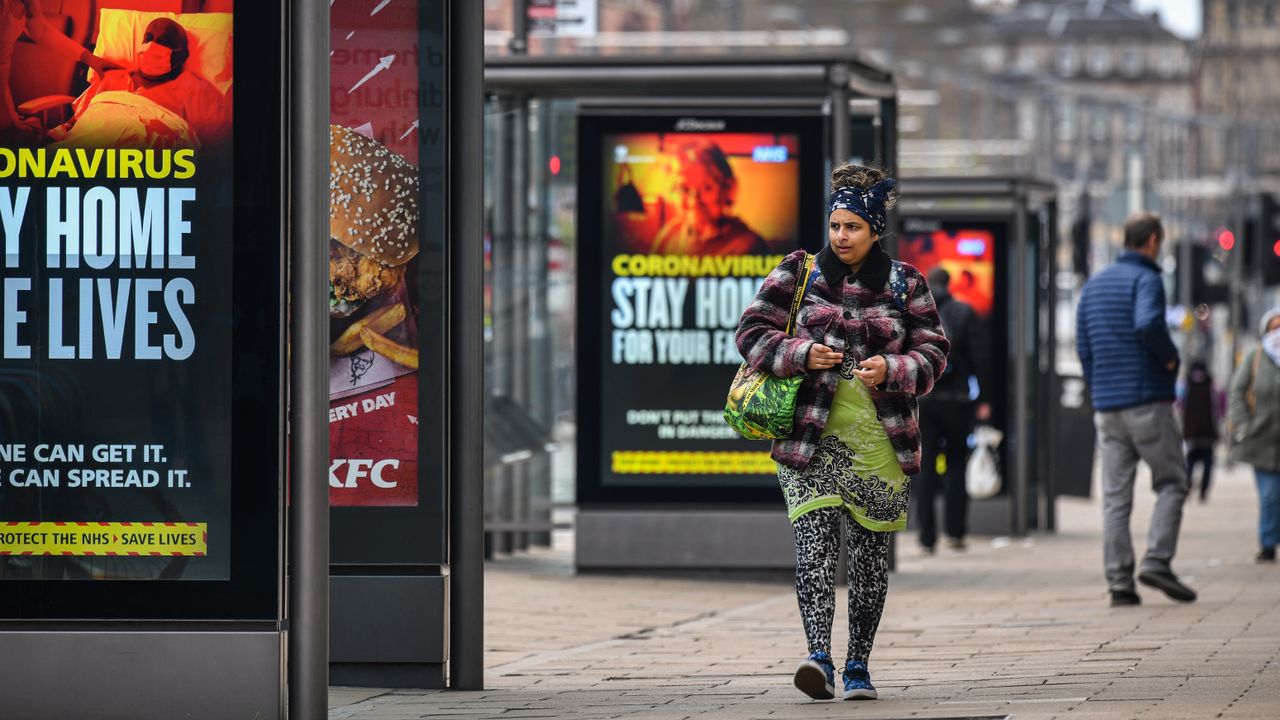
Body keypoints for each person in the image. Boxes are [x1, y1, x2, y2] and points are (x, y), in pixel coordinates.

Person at [736, 163, 949, 701]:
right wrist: (802, 353)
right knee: (813, 546)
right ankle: (817, 657)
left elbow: (934, 350)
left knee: (869, 557)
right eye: (836, 226)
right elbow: (751, 332)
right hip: (809, 442)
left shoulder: (906, 282)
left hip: (881, 442)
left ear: (876, 229)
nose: (842, 237)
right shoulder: (798, 272)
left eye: (853, 227)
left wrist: (893, 369)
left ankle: (858, 665)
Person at [1076, 212, 1195, 607]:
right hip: (1147, 401)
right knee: (1173, 482)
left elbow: (1084, 346)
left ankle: (1120, 583)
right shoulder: (1147, 278)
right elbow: (1147, 324)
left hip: (1108, 408)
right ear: (1153, 241)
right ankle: (1158, 561)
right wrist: (1171, 359)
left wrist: (1099, 389)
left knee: (1115, 497)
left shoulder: (1093, 286)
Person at [0, 3, 226, 147]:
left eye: (164, 42)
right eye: (148, 38)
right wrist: (50, 136)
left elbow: (215, 147)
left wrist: (89, 58)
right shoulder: (112, 78)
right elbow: (75, 123)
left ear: (182, 55)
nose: (152, 46)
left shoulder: (195, 90)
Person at [915, 266, 990, 553]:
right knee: (957, 464)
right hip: (958, 401)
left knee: (926, 467)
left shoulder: (918, 313)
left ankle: (926, 536)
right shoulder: (964, 312)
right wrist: (984, 398)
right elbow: (981, 358)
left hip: (924, 400)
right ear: (950, 284)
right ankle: (955, 532)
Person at [1227, 308, 1280, 563]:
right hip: (1261, 440)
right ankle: (1268, 544)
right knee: (1270, 495)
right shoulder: (1255, 357)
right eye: (1274, 326)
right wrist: (1243, 424)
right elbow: (1236, 391)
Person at [652, 140, 767, 255]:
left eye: (706, 188)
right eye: (684, 189)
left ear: (728, 188)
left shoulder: (750, 247)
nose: (693, 202)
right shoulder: (668, 235)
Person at [1179, 360, 1221, 503]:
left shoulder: (1186, 386)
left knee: (1190, 463)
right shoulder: (1212, 387)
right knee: (1207, 465)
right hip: (1208, 434)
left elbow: (1179, 407)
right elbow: (1219, 410)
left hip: (1191, 434)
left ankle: (1188, 487)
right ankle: (1203, 492)